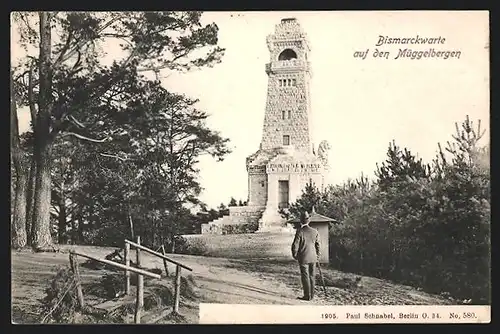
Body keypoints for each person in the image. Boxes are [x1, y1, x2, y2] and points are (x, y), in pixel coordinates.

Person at [291, 210, 321, 301]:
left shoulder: (299, 231)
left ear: (301, 221)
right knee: (312, 276)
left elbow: (295, 245)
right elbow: (318, 245)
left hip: (303, 257)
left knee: (305, 276)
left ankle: (307, 296)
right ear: (309, 221)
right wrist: (318, 256)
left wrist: (295, 255)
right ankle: (312, 295)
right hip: (313, 257)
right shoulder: (315, 231)